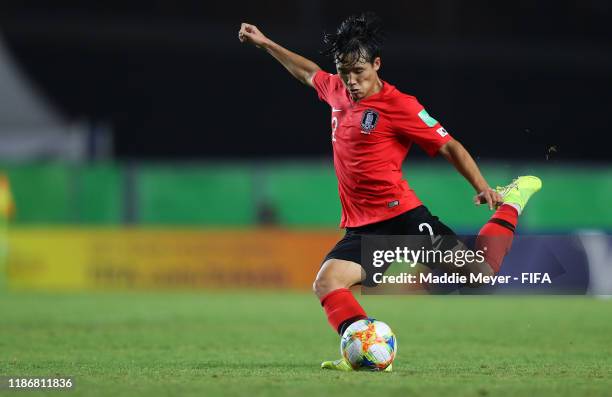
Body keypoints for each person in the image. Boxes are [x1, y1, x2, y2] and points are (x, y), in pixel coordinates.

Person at [238, 12, 541, 371]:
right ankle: (360, 348)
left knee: (479, 276)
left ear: (377, 64)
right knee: (327, 282)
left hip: (403, 220)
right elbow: (306, 72)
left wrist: (482, 187)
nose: (351, 81)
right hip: (363, 228)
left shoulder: (401, 105)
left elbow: (449, 146)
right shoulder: (337, 90)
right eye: (344, 71)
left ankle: (512, 201)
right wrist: (266, 43)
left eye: (359, 73)